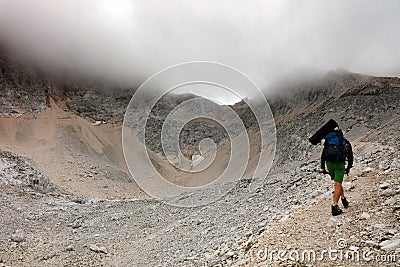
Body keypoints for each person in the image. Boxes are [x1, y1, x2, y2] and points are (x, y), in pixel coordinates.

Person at [321, 128, 353, 216]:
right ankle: (334, 206)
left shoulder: (328, 142)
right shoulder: (345, 143)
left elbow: (323, 154)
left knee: (337, 182)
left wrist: (323, 167)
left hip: (329, 164)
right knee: (338, 183)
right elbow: (350, 156)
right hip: (340, 164)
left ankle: (343, 199)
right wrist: (349, 167)